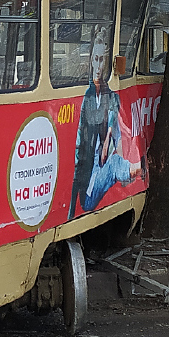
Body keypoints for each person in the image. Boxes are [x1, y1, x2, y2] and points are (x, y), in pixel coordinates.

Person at [67, 37, 137, 220]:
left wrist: (111, 143)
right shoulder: (87, 98)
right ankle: (138, 168)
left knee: (114, 163)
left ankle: (134, 169)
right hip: (89, 178)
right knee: (114, 166)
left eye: (102, 61)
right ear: (91, 61)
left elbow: (119, 137)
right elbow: (79, 141)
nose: (98, 66)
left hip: (103, 167)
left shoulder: (112, 98)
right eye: (96, 59)